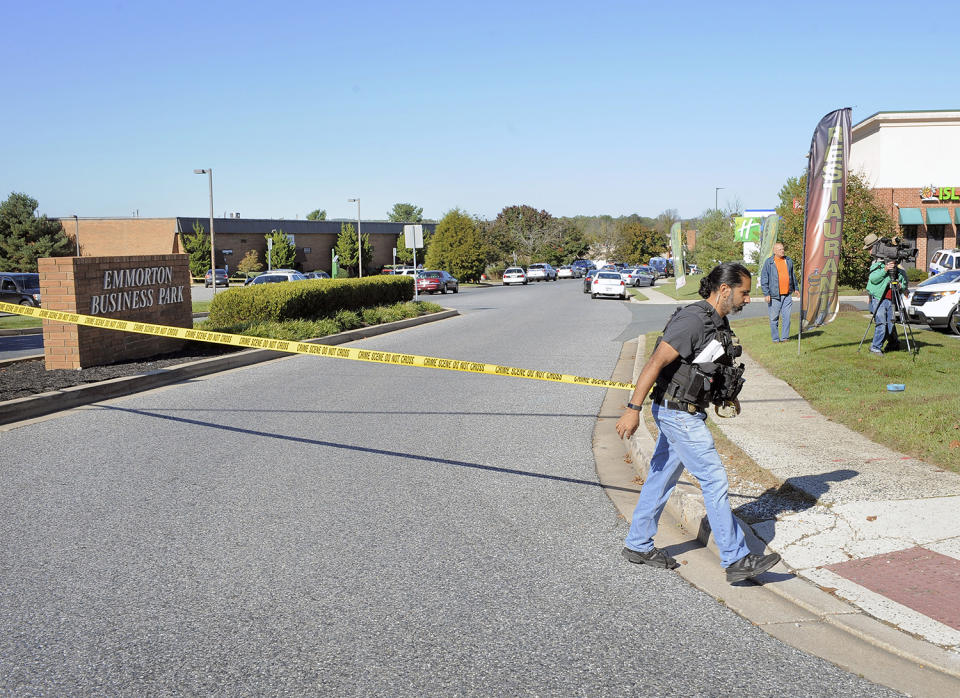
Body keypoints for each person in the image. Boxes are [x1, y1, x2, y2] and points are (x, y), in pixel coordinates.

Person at [615, 262, 781, 584]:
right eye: (744, 293)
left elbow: (703, 368)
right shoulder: (692, 320)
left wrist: (724, 395)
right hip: (678, 414)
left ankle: (637, 544)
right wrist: (633, 408)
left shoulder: (717, 322)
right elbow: (655, 363)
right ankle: (736, 559)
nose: (748, 299)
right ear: (724, 290)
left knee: (661, 478)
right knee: (715, 480)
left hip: (683, 410)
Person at [865, 236, 908, 356]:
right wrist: (884, 269)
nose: (870, 252)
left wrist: (903, 287)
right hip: (879, 298)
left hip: (891, 298)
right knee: (881, 324)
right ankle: (875, 347)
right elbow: (873, 279)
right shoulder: (877, 264)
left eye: (870, 248)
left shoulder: (894, 264)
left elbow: (903, 277)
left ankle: (893, 343)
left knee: (890, 324)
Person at [759, 243, 798, 343]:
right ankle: (776, 339)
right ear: (774, 251)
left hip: (787, 295)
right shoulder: (769, 262)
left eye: (783, 249)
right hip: (774, 296)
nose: (782, 251)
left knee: (787, 318)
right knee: (774, 319)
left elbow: (792, 276)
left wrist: (796, 288)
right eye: (780, 249)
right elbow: (764, 278)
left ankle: (785, 338)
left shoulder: (788, 260)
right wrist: (766, 293)